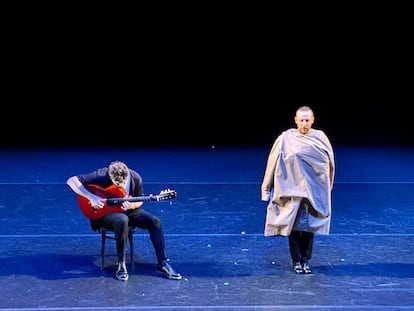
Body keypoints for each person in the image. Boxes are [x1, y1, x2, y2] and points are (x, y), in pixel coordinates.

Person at [66, 160, 182, 281]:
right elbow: (71, 180)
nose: (120, 185)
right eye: (116, 183)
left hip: (127, 211)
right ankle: (121, 264)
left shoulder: (135, 178)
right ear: (110, 176)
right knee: (122, 219)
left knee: (154, 221)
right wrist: (92, 197)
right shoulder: (102, 174)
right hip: (104, 214)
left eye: (123, 183)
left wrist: (131, 205)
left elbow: (139, 201)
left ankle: (163, 263)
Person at [260, 106, 335, 274]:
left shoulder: (320, 138)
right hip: (291, 190)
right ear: (295, 120)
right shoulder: (286, 138)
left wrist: (326, 188)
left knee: (309, 227)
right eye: (301, 120)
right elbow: (272, 163)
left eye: (307, 120)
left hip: (312, 192)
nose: (304, 123)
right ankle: (296, 261)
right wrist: (266, 189)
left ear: (313, 120)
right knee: (293, 227)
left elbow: (329, 164)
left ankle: (305, 260)